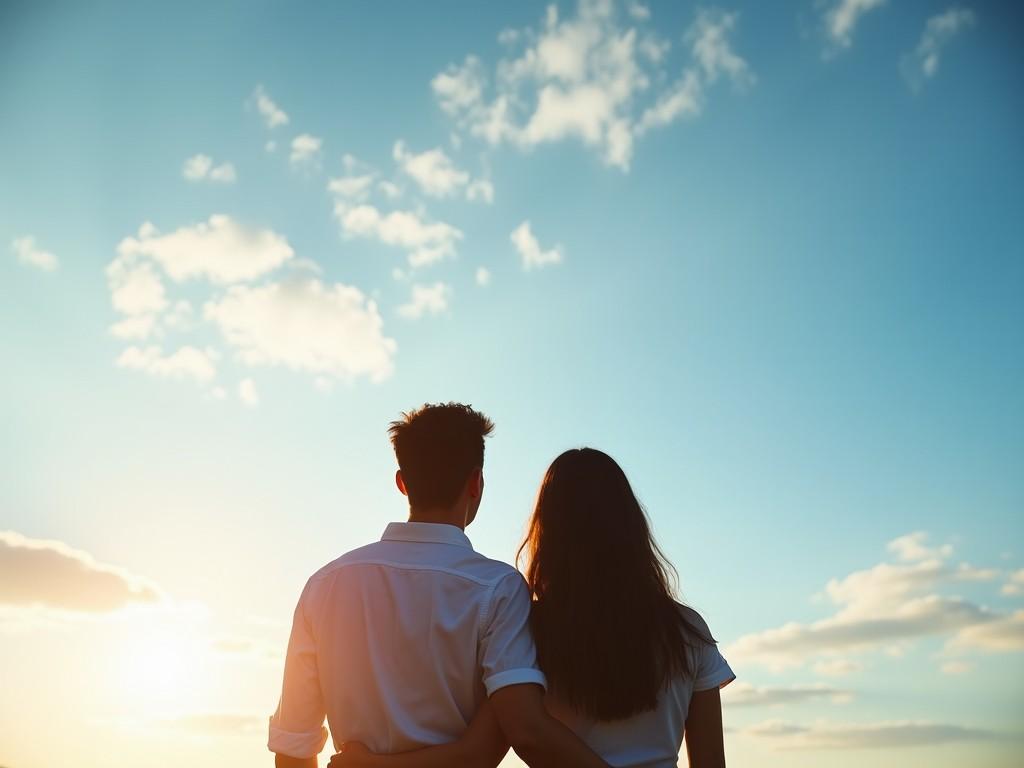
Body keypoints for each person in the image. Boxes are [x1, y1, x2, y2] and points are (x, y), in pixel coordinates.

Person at [331, 447, 734, 768]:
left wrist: (371, 764)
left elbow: (475, 754)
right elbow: (712, 763)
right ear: (631, 524)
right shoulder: (685, 630)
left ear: (549, 532)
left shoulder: (529, 628)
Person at [268, 404, 612, 768]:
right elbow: (512, 734)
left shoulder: (324, 585)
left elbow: (293, 746)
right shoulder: (499, 588)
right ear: (476, 484)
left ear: (402, 483)